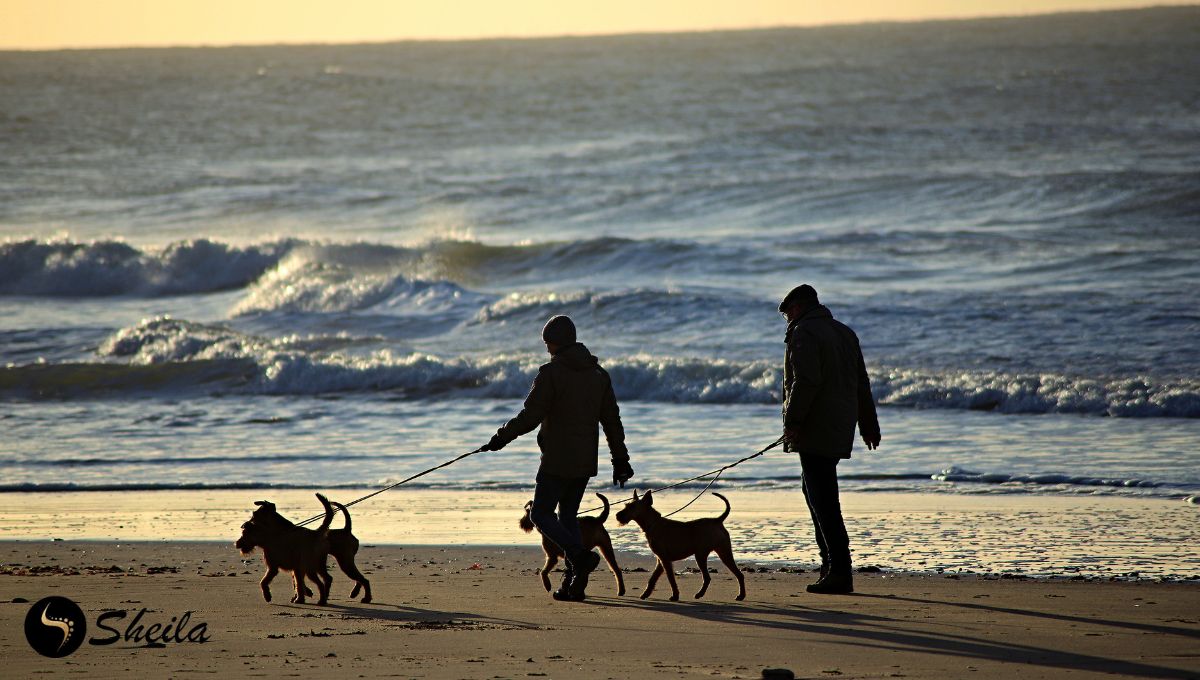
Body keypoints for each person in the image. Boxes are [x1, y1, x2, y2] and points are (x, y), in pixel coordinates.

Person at [481, 315, 633, 601]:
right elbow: (612, 421)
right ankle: (574, 587)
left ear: (556, 343)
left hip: (556, 461)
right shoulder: (598, 374)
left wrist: (501, 437)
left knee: (540, 514)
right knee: (567, 519)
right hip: (585, 462)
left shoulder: (551, 374)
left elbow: (530, 416)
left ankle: (578, 556)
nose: (547, 348)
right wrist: (620, 460)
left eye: (547, 343)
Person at [778, 284, 881, 594]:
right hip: (840, 423)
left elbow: (806, 381)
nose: (786, 320)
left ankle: (839, 570)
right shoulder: (844, 332)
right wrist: (868, 424)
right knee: (813, 489)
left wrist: (793, 422)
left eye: (787, 314)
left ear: (797, 308)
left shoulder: (804, 333)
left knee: (823, 498)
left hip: (815, 425)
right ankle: (829, 565)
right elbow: (861, 382)